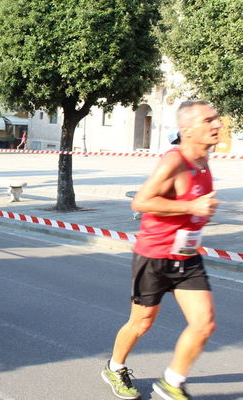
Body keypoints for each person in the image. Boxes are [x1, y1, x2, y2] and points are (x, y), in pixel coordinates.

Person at [101, 100, 221, 400]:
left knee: (204, 323)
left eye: (216, 119)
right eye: (209, 120)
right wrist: (193, 205)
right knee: (142, 323)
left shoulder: (204, 162)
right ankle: (115, 367)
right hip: (154, 255)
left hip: (187, 258)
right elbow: (140, 202)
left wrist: (199, 213)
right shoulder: (174, 161)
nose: (217, 124)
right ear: (188, 129)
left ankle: (171, 382)